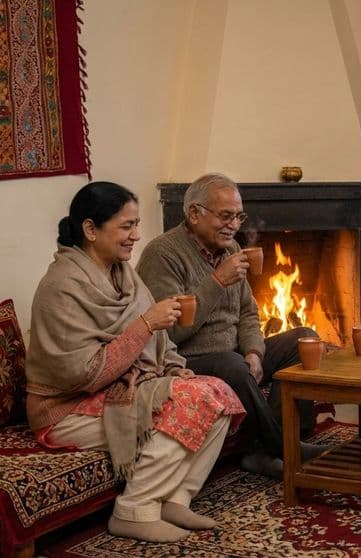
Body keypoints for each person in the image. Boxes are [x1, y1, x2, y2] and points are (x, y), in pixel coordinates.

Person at [25, 181, 245, 543]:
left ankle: (176, 498)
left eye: (137, 225)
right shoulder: (61, 287)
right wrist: (145, 325)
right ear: (91, 229)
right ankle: (134, 510)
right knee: (190, 403)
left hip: (124, 386)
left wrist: (172, 367)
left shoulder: (123, 274)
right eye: (127, 226)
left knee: (218, 393)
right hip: (67, 407)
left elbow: (158, 341)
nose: (136, 236)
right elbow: (84, 374)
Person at [136, 172, 327, 480]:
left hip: (234, 355)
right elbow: (170, 333)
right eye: (225, 216)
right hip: (187, 359)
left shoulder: (233, 249)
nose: (234, 225)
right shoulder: (162, 254)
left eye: (239, 216)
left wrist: (254, 351)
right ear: (194, 214)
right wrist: (217, 281)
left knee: (304, 340)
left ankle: (274, 443)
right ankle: (285, 448)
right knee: (232, 364)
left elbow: (248, 311)